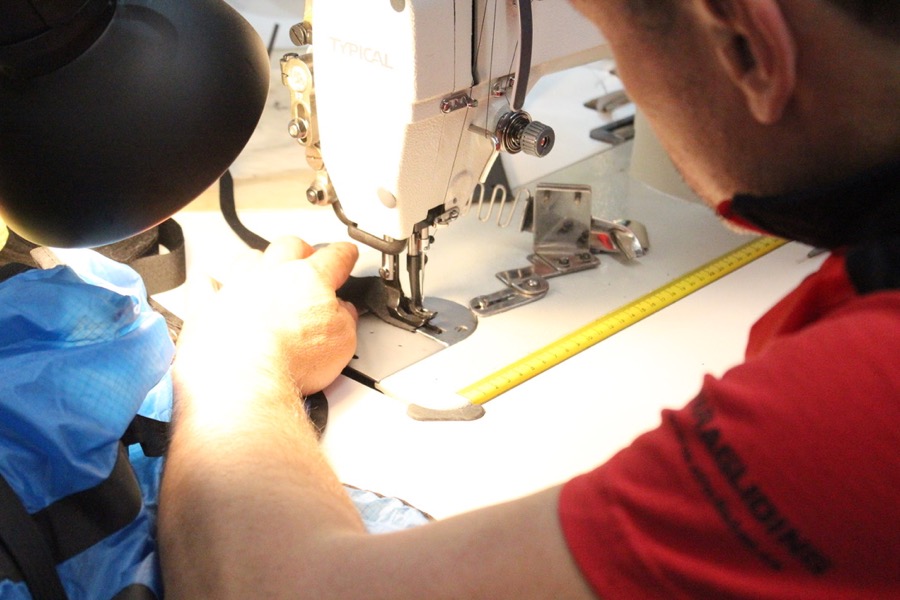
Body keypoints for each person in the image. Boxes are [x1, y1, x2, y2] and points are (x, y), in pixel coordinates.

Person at [158, 0, 899, 598]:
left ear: (744, 45)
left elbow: (276, 588)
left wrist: (237, 361)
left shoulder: (855, 405)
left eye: (614, 44)